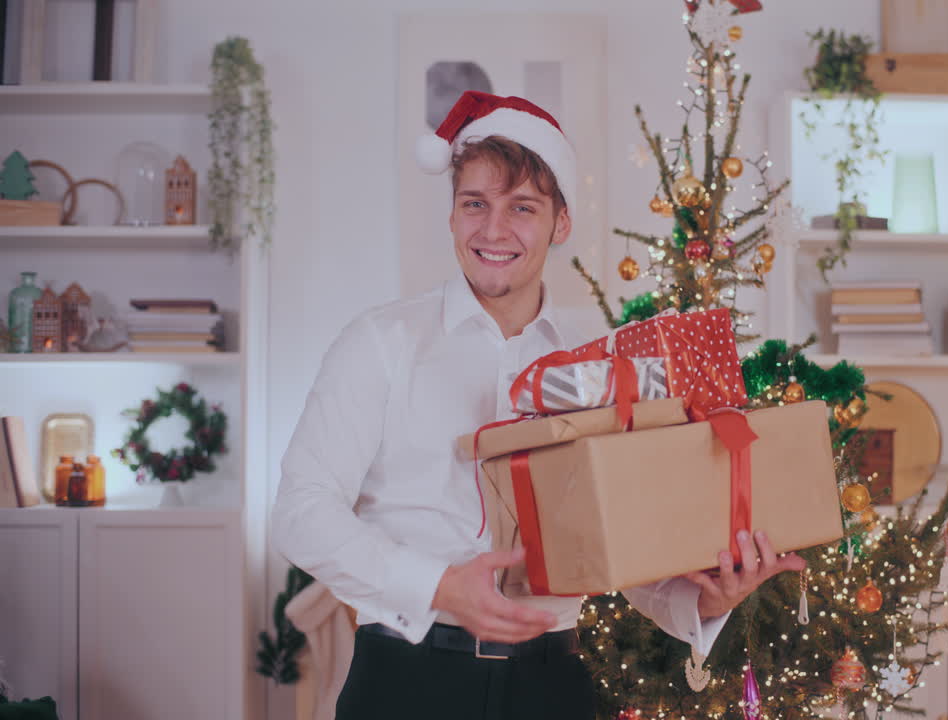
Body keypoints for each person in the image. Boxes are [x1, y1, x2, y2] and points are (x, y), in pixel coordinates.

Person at [270, 91, 805, 720]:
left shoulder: (606, 364)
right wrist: (437, 586)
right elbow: (300, 514)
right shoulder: (379, 344)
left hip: (555, 686)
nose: (493, 230)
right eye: (475, 204)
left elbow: (623, 544)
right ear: (451, 216)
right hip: (406, 683)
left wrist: (704, 603)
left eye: (522, 208)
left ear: (561, 224)